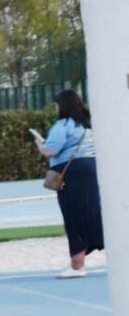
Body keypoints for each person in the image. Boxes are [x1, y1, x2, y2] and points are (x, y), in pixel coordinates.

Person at [37, 89, 103, 278]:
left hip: (70, 171)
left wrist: (40, 144)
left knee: (73, 215)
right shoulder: (87, 125)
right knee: (93, 213)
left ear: (63, 105)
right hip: (90, 167)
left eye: (57, 104)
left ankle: (77, 264)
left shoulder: (62, 125)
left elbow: (51, 151)